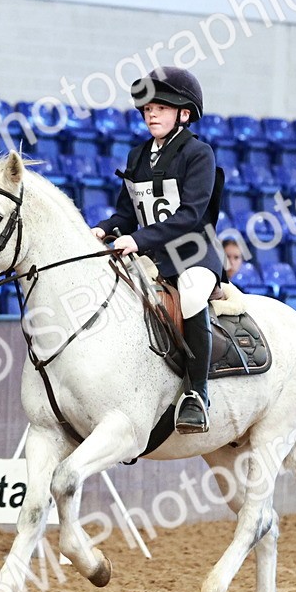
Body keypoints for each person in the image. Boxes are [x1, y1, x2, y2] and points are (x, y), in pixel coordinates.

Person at [91, 66, 222, 434]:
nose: (151, 113)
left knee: (193, 297)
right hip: (151, 255)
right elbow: (126, 213)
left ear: (184, 113)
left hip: (192, 252)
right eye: (147, 108)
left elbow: (191, 215)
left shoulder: (199, 154)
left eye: (160, 107)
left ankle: (198, 394)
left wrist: (139, 240)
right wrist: (103, 229)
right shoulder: (137, 155)